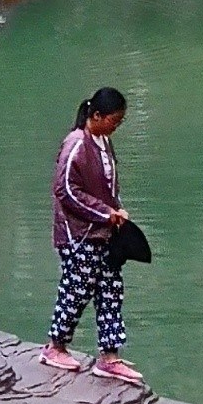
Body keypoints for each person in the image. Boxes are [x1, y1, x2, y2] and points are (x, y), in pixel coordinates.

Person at [41, 88, 143, 383]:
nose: (116, 126)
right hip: (79, 235)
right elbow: (67, 191)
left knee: (111, 291)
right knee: (76, 290)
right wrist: (105, 213)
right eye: (114, 120)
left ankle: (109, 357)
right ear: (95, 116)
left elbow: (109, 187)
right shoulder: (76, 144)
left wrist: (117, 211)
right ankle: (55, 347)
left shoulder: (104, 141)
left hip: (104, 233)